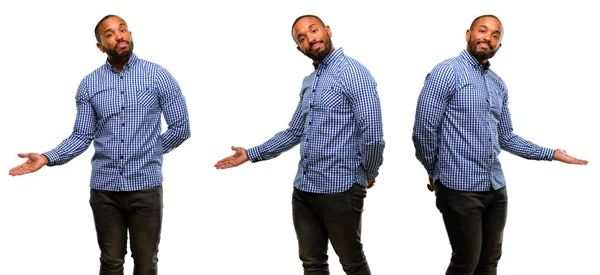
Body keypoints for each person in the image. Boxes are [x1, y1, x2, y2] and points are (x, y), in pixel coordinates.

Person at [8, 15, 191, 275]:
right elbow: (81, 136)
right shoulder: (89, 84)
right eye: (110, 34)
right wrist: (48, 157)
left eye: (123, 30)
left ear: (130, 34)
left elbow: (181, 128)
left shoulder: (159, 76)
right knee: (110, 263)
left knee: (146, 263)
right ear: (100, 45)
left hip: (146, 190)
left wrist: (149, 151)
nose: (119, 36)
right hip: (105, 192)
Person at [412, 14, 588, 275]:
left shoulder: (498, 85)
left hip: (496, 188)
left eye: (495, 35)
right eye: (483, 31)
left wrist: (551, 154)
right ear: (468, 34)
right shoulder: (445, 73)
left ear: (499, 46)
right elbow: (423, 131)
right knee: (465, 263)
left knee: (490, 262)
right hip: (460, 188)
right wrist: (435, 172)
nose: (488, 38)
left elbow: (506, 137)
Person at [214, 14, 384, 275]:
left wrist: (368, 173)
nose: (310, 39)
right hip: (304, 190)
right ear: (299, 48)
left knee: (352, 262)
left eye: (313, 30)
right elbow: (295, 131)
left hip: (340, 189)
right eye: (302, 38)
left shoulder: (354, 73)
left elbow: (372, 133)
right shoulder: (310, 82)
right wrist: (250, 154)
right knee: (312, 264)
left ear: (327, 30)